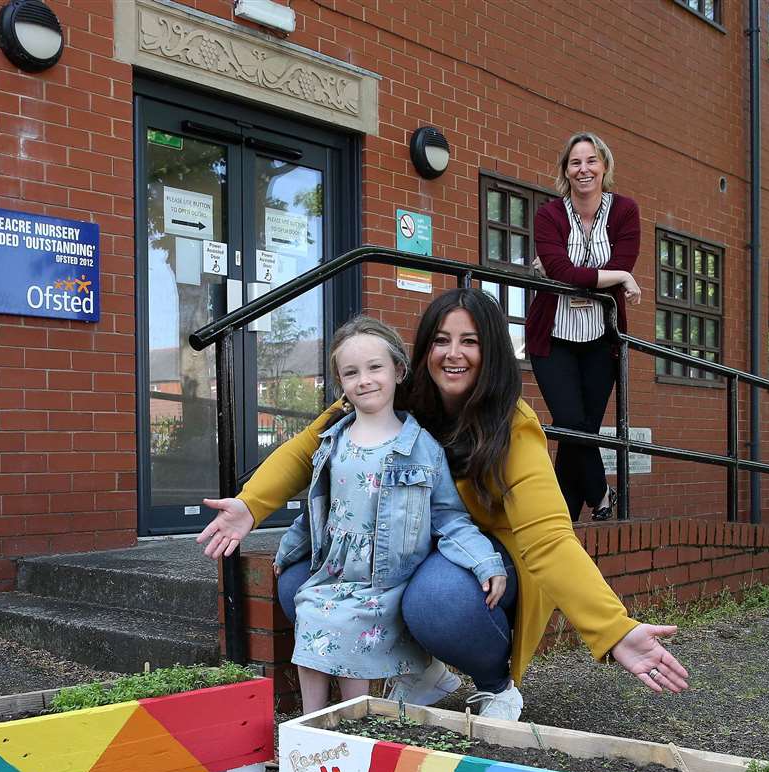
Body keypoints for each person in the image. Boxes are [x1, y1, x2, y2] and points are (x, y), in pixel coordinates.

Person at [197, 288, 687, 721]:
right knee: (303, 578)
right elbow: (311, 446)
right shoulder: (392, 393)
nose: (454, 354)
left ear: (492, 350)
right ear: (422, 349)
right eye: (441, 340)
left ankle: (495, 685)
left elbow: (549, 538)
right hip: (397, 549)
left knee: (436, 598)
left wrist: (613, 630)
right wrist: (250, 504)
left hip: (480, 564)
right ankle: (425, 672)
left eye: (469, 341)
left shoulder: (510, 426)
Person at [272, 315, 507, 716]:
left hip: (386, 578)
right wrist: (287, 550)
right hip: (337, 572)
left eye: (374, 367)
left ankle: (356, 722)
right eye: (351, 372)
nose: (364, 380)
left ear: (399, 370)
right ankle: (311, 725)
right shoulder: (333, 442)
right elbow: (316, 510)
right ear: (341, 385)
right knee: (309, 607)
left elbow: (448, 517)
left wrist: (485, 561)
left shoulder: (421, 448)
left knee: (346, 625)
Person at [529, 131, 643, 523]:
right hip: (553, 337)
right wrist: (617, 278)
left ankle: (566, 518)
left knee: (580, 431)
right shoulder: (549, 214)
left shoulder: (625, 211)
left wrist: (601, 274)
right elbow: (560, 270)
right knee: (571, 424)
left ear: (604, 166)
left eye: (591, 161)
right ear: (565, 171)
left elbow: (616, 262)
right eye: (575, 162)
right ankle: (601, 490)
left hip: (601, 341)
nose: (584, 169)